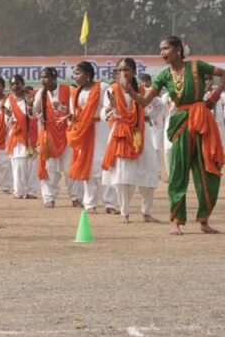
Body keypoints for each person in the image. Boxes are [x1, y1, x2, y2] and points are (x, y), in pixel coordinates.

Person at [135, 36, 225, 234]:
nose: (162, 53)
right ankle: (175, 221)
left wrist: (214, 97)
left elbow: (223, 74)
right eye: (161, 49)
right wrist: (130, 92)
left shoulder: (196, 66)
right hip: (181, 125)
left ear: (178, 50)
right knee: (178, 173)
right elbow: (143, 102)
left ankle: (204, 220)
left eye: (166, 48)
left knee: (207, 172)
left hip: (201, 122)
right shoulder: (163, 76)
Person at [102, 58, 157, 224]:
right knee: (122, 176)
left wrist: (147, 116)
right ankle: (124, 213)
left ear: (134, 71)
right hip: (120, 135)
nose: (123, 73)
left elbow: (159, 105)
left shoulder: (143, 90)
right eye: (120, 70)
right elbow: (104, 113)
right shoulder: (112, 90)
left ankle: (146, 212)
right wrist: (111, 111)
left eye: (126, 69)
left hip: (141, 134)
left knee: (149, 172)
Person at [66, 62, 112, 214]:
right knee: (89, 166)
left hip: (102, 129)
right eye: (74, 74)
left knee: (106, 165)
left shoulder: (103, 87)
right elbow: (74, 113)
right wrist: (69, 116)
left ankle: (110, 203)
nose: (75, 77)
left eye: (78, 73)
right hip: (84, 133)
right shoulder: (76, 92)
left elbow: (110, 107)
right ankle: (90, 204)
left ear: (88, 74)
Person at [34, 67, 71, 207]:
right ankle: (49, 198)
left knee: (70, 167)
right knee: (49, 167)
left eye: (46, 77)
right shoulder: (41, 93)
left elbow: (75, 111)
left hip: (66, 134)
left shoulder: (68, 90)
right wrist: (39, 114)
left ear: (54, 78)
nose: (42, 80)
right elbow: (35, 111)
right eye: (41, 77)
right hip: (49, 135)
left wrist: (64, 110)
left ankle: (76, 197)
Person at [4, 75, 38, 200]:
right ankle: (18, 191)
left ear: (22, 84)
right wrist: (9, 116)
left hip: (31, 134)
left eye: (18, 83)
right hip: (17, 135)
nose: (15, 86)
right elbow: (6, 121)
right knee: (18, 163)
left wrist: (30, 104)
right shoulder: (9, 101)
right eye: (12, 84)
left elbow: (35, 115)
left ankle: (31, 191)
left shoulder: (31, 97)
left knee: (32, 163)